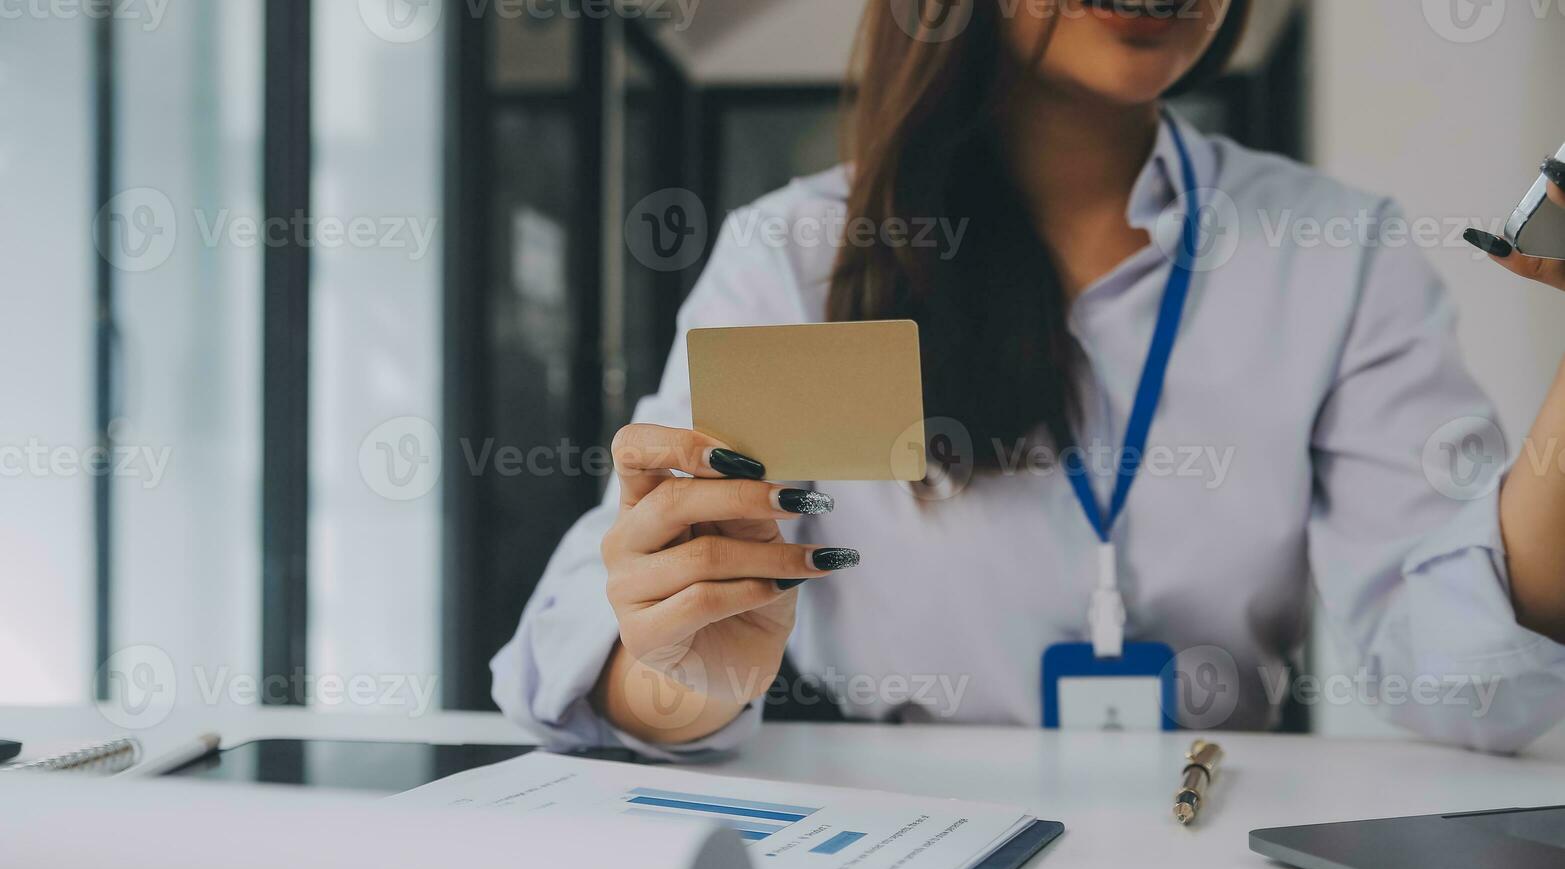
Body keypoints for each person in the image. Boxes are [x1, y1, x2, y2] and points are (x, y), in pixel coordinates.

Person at [492, 0, 1565, 757]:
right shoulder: (795, 256)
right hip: (894, 830)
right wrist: (684, 673)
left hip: (1208, 836)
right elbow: (570, 646)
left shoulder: (1332, 249)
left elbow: (1471, 685)